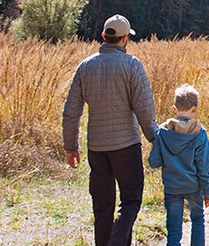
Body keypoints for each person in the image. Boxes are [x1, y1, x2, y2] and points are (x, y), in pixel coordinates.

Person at [63, 14, 158, 246]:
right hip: (126, 146)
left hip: (97, 148)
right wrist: (156, 139)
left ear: (104, 36)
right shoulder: (132, 65)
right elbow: (144, 109)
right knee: (131, 201)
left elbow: (71, 112)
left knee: (102, 207)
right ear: (125, 39)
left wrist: (71, 146)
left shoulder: (85, 67)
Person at [148, 84, 209, 246]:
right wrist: (207, 191)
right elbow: (204, 167)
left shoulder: (162, 132)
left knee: (173, 228)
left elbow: (153, 162)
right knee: (197, 219)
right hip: (194, 187)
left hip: (172, 188)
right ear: (194, 109)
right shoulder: (200, 133)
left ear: (174, 109)